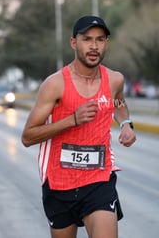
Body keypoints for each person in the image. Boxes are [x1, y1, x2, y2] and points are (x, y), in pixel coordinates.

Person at [21, 15, 136, 238]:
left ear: (106, 44)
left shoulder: (114, 80)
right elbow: (28, 136)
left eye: (100, 40)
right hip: (58, 185)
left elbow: (119, 103)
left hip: (98, 181)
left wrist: (126, 124)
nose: (94, 46)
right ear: (74, 43)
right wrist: (71, 120)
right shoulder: (55, 84)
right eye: (87, 39)